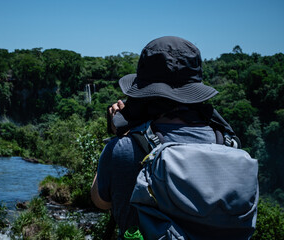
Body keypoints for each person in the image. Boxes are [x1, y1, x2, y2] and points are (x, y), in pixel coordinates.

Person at [91, 36, 233, 239]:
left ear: (144, 91)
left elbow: (101, 201)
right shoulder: (227, 144)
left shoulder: (125, 148)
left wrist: (119, 137)